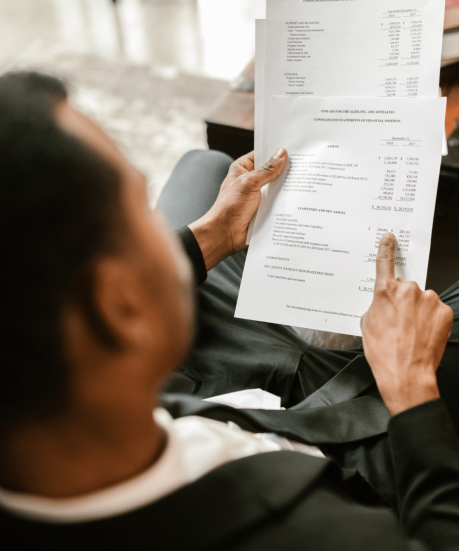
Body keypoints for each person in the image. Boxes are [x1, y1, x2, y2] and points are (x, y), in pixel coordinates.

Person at [0, 70, 459, 550]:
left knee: (202, 165)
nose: (165, 224)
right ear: (118, 308)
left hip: (217, 403)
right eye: (140, 210)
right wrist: (413, 395)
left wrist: (212, 235)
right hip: (359, 450)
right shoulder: (326, 534)